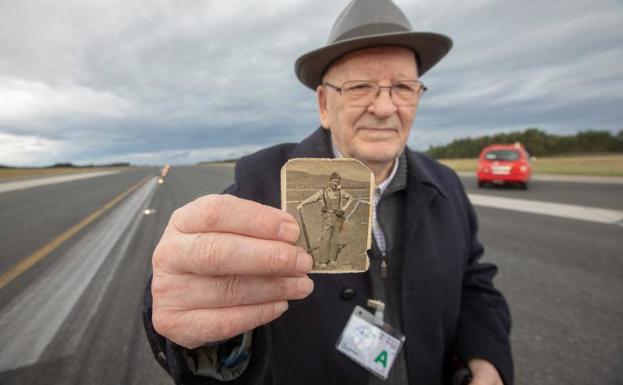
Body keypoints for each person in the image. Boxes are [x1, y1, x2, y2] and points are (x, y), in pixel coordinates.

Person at [143, 0, 513, 384]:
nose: (385, 107)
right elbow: (203, 313)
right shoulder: (261, 184)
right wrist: (177, 309)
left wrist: (488, 363)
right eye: (360, 87)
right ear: (323, 103)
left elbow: (474, 286)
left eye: (403, 87)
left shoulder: (447, 186)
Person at [296, 172, 354, 268]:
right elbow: (312, 199)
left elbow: (351, 198)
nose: (335, 183)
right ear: (330, 181)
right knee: (325, 239)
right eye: (334, 181)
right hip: (327, 218)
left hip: (338, 218)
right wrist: (302, 203)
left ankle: (332, 260)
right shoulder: (322, 192)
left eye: (337, 181)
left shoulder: (340, 192)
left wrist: (344, 208)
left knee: (335, 240)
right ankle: (323, 261)